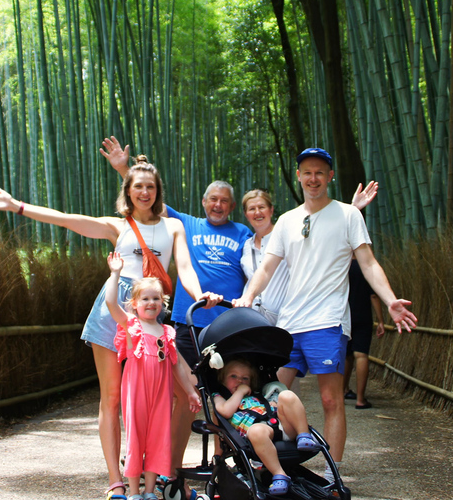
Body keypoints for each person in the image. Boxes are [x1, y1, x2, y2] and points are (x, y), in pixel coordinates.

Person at [0, 153, 220, 500]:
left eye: (150, 186)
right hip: (115, 306)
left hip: (152, 309)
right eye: (138, 187)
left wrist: (199, 294)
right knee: (113, 397)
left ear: (158, 191)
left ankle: (162, 471)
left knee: (178, 393)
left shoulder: (173, 226)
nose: (145, 192)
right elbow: (66, 220)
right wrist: (18, 207)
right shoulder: (116, 225)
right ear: (128, 191)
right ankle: (116, 479)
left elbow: (185, 268)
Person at [234, 147, 417, 482]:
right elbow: (267, 268)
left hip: (327, 322)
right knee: (270, 397)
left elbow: (368, 262)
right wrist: (247, 296)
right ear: (299, 176)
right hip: (289, 324)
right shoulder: (287, 220)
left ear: (330, 176)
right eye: (307, 172)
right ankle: (272, 466)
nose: (313, 178)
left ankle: (334, 476)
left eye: (320, 172)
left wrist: (390, 300)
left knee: (331, 399)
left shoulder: (348, 215)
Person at [102, 137, 251, 489]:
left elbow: (264, 257)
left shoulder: (243, 232)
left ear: (231, 206)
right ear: (204, 202)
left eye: (224, 201)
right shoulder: (185, 223)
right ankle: (167, 468)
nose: (218, 205)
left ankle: (223, 463)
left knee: (226, 392)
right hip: (186, 323)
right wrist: (125, 168)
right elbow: (145, 204)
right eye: (212, 199)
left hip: (228, 325)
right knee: (183, 395)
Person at [105, 252, 201, 500]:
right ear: (135, 303)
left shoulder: (166, 331)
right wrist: (115, 273)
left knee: (158, 436)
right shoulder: (131, 325)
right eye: (145, 298)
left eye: (156, 298)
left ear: (163, 302)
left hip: (161, 390)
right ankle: (134, 491)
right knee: (136, 435)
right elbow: (110, 303)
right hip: (136, 388)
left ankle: (149, 491)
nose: (151, 303)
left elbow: (177, 364)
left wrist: (190, 391)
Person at [239, 185, 378, 325]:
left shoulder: (289, 232)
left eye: (262, 207)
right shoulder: (245, 245)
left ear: (271, 209)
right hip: (252, 319)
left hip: (285, 318)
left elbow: (321, 234)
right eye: (252, 209)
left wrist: (352, 209)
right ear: (245, 214)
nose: (257, 212)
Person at [212, 359, 320, 496]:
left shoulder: (257, 395)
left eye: (245, 378)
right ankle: (279, 475)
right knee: (257, 431)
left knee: (287, 395)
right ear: (222, 379)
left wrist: (274, 404)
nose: (239, 381)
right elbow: (225, 411)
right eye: (233, 376)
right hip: (260, 434)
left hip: (282, 426)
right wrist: (240, 392)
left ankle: (304, 435)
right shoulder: (221, 397)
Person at [343, 259, 385, 409]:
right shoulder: (367, 266)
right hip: (363, 316)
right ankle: (360, 399)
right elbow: (374, 295)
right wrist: (381, 320)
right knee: (361, 355)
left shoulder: (341, 264)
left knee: (346, 355)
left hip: (343, 315)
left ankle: (342, 391)